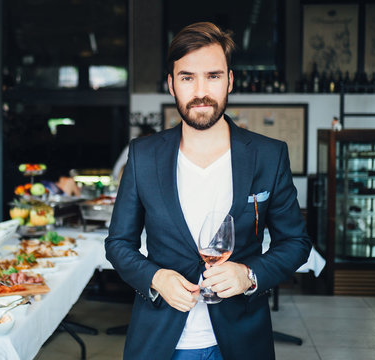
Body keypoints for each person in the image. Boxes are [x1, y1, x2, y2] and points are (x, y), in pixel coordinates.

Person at [105, 22, 311, 360]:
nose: (200, 90)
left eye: (213, 76)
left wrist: (249, 275)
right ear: (172, 85)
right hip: (160, 342)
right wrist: (156, 278)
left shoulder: (269, 155)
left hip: (241, 340)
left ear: (229, 80)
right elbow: (118, 244)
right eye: (187, 77)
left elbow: (296, 242)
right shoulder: (143, 155)